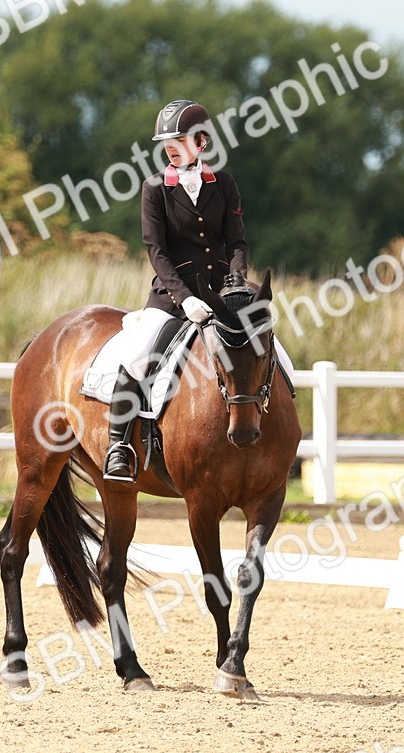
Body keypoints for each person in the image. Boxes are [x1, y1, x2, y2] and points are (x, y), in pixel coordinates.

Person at [103, 99, 248, 481]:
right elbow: (156, 250)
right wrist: (185, 298)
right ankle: (118, 447)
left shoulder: (224, 184)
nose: (171, 147)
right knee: (138, 354)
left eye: (179, 139)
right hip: (171, 297)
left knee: (268, 351)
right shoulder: (154, 188)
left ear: (201, 141)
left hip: (221, 294)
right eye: (167, 142)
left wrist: (235, 286)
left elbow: (236, 243)